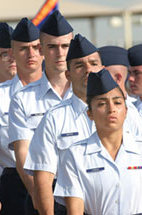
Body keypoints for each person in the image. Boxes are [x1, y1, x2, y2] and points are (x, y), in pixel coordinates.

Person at [54, 68, 142, 214]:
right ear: (89, 114)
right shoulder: (76, 154)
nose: (111, 109)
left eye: (117, 103)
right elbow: (75, 209)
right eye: (101, 104)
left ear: (126, 110)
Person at [0, 18, 43, 215]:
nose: (31, 54)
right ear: (13, 54)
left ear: (43, 51)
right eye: (23, 49)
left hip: (58, 177)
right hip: (14, 183)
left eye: (36, 48)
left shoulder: (61, 91)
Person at [23, 33, 100, 215]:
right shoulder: (54, 117)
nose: (88, 70)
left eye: (94, 63)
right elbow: (44, 177)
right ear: (68, 74)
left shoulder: (128, 112)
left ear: (103, 68)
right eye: (79, 66)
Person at [8, 11, 73, 215]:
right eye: (52, 47)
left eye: (65, 46)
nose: (60, 53)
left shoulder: (91, 95)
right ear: (41, 49)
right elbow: (22, 152)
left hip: (88, 186)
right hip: (47, 187)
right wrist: (38, 194)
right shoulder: (23, 98)